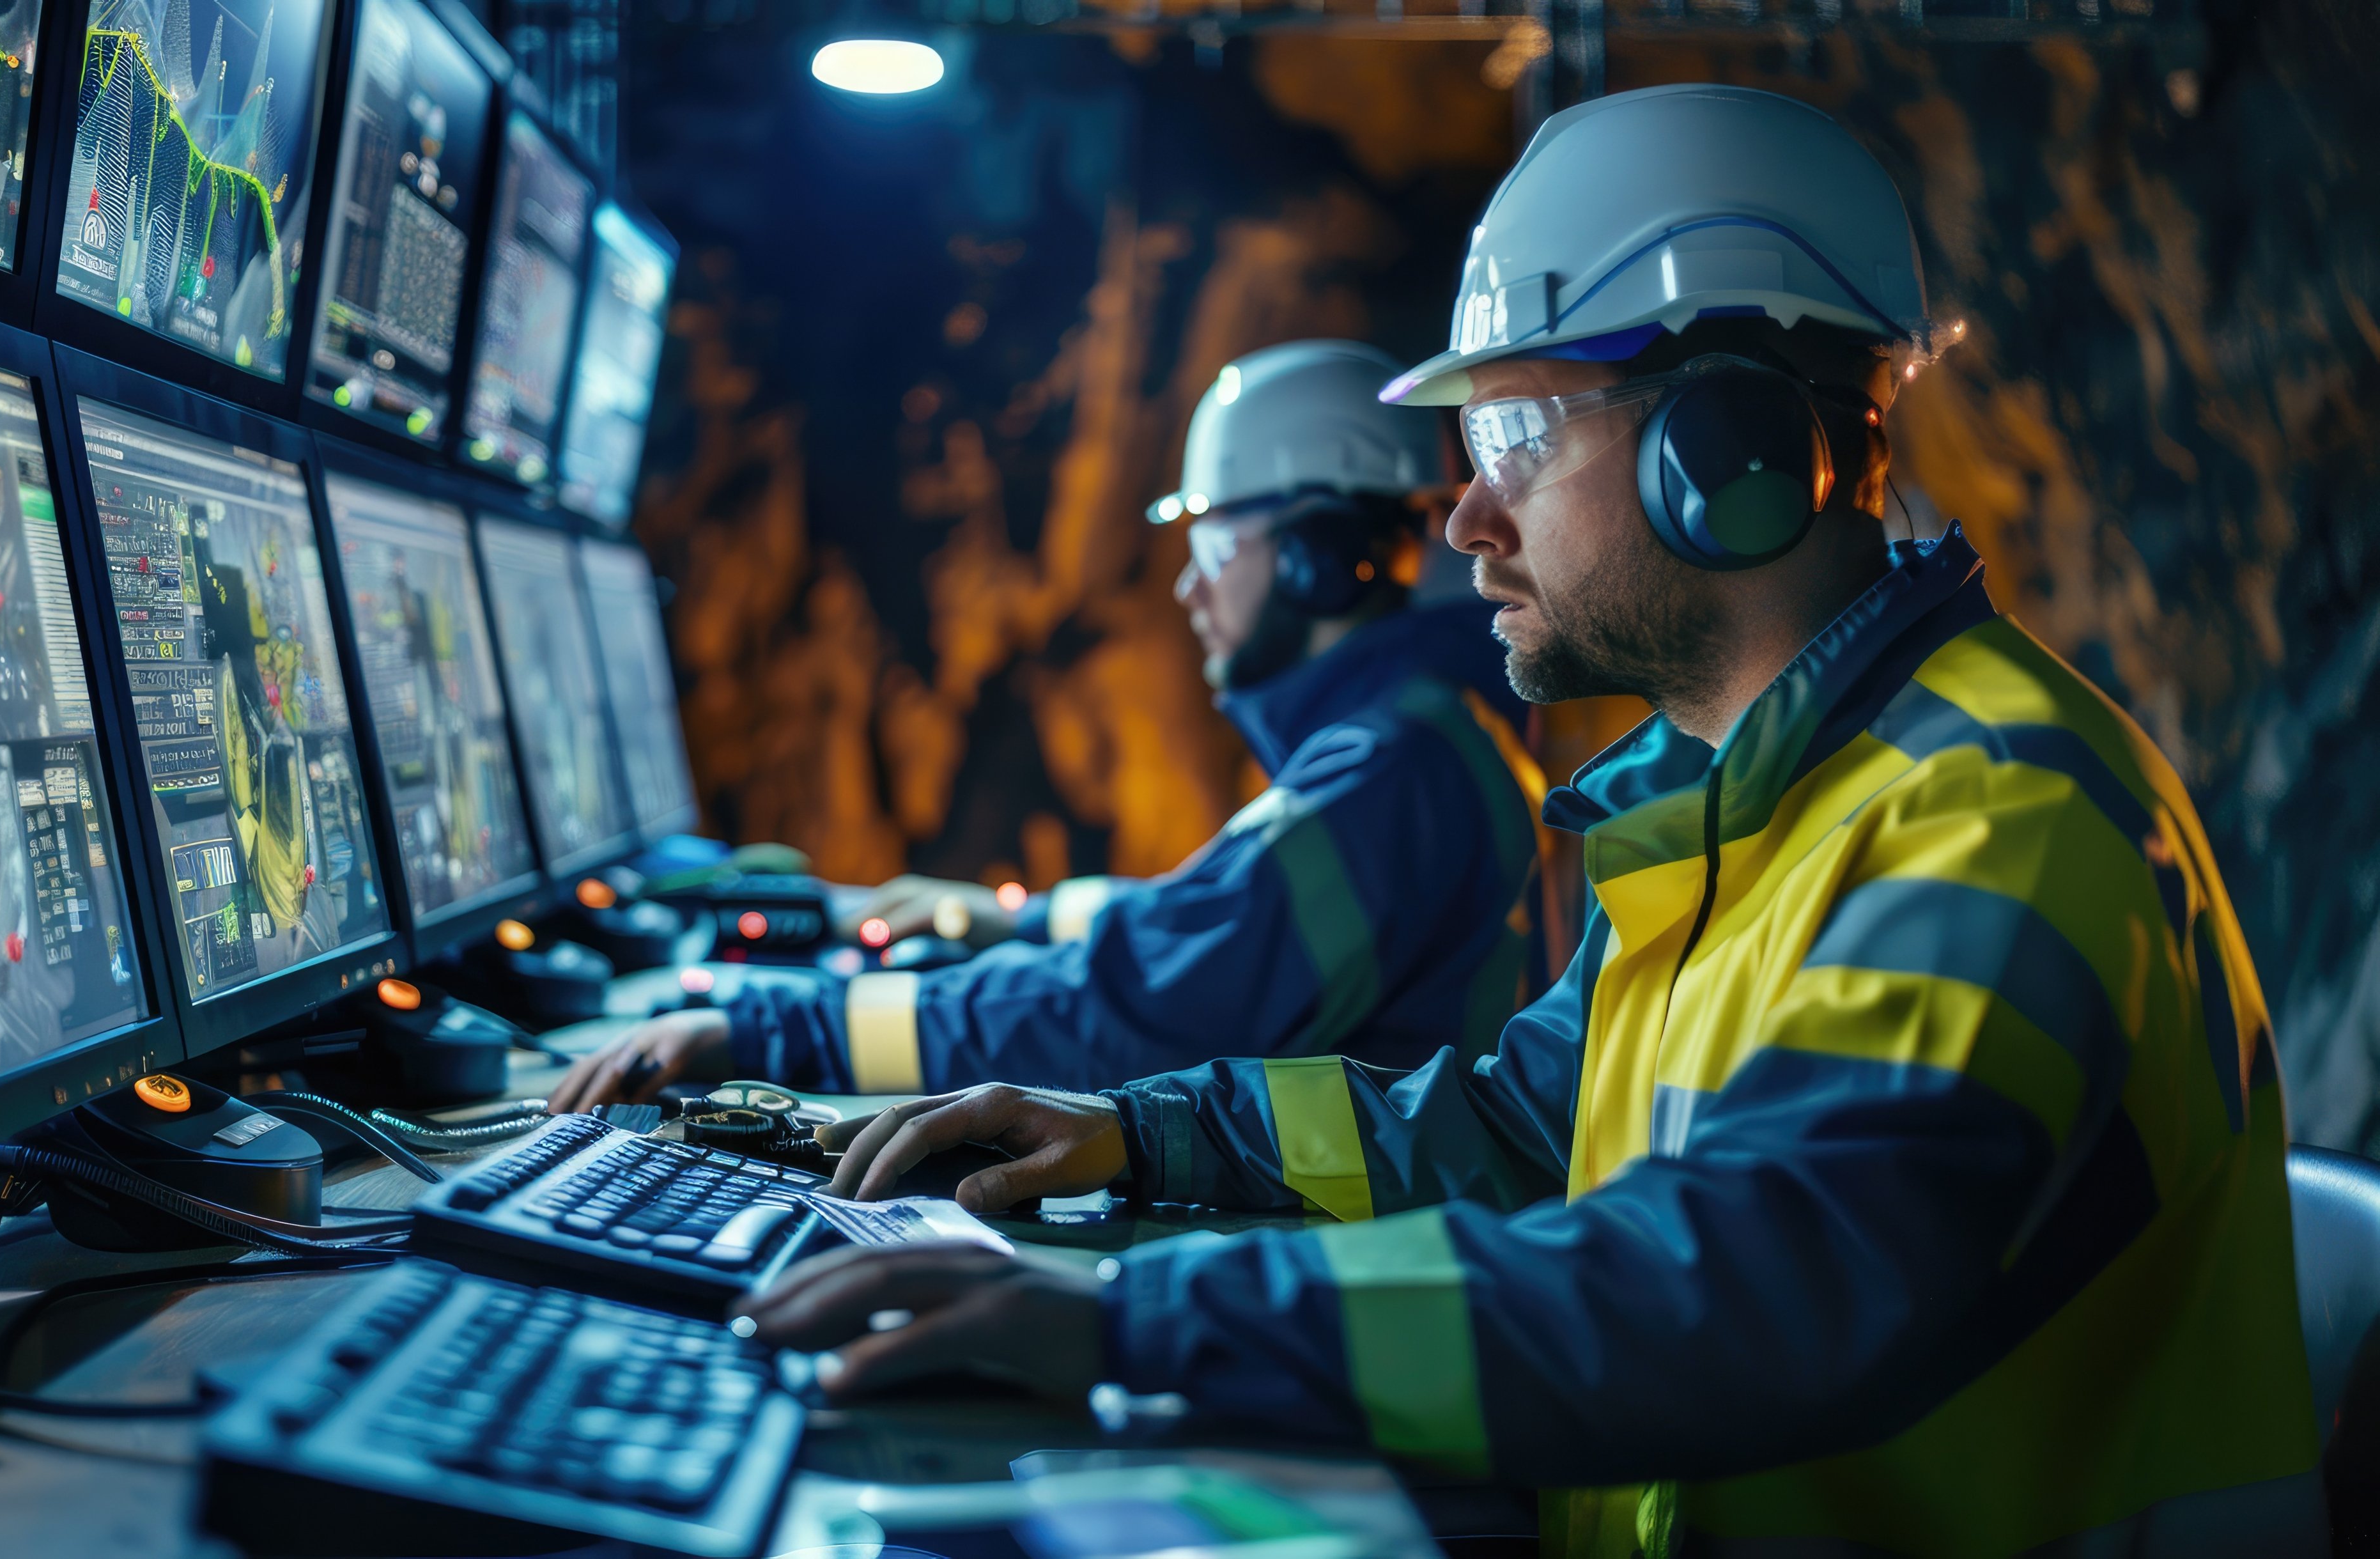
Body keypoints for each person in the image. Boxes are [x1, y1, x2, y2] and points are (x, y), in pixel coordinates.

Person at [729, 84, 2322, 1557]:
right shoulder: (1743, 805)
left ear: (1732, 452)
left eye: (1513, 440)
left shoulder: (1997, 813)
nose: (1468, 519)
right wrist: (1141, 1128)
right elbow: (1506, 1129)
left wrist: (1139, 1323)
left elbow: (1757, 1283)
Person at [546, 340, 1545, 1106]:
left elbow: (1129, 1010)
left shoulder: (1393, 767)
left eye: (1216, 542)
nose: (1190, 588)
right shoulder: (1417, 736)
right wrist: (1021, 918)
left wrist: (776, 1027)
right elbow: (1205, 919)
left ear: (1315, 557)